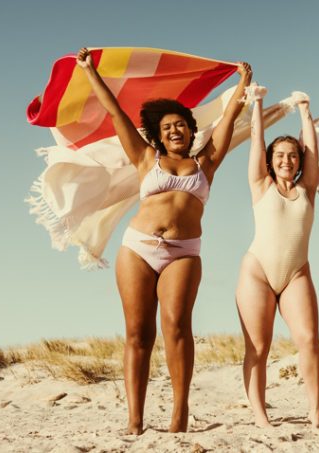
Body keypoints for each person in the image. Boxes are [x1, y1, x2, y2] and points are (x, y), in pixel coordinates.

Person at [75, 48, 252, 434]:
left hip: (184, 252)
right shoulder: (145, 158)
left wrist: (243, 83)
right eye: (168, 127)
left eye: (181, 126)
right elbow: (116, 113)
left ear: (191, 129)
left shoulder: (206, 162)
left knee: (176, 326)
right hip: (138, 248)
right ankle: (135, 420)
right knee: (139, 333)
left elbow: (229, 119)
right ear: (159, 134)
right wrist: (90, 72)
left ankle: (179, 414)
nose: (175, 131)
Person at [235, 85, 319, 428]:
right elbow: (257, 140)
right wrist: (256, 103)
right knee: (258, 346)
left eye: (293, 155)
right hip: (257, 271)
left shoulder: (307, 189)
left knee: (309, 341)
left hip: (296, 273)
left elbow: (313, 150)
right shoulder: (261, 184)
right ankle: (260, 414)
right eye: (280, 155)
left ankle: (316, 411)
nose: (287, 160)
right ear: (270, 161)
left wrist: (304, 108)